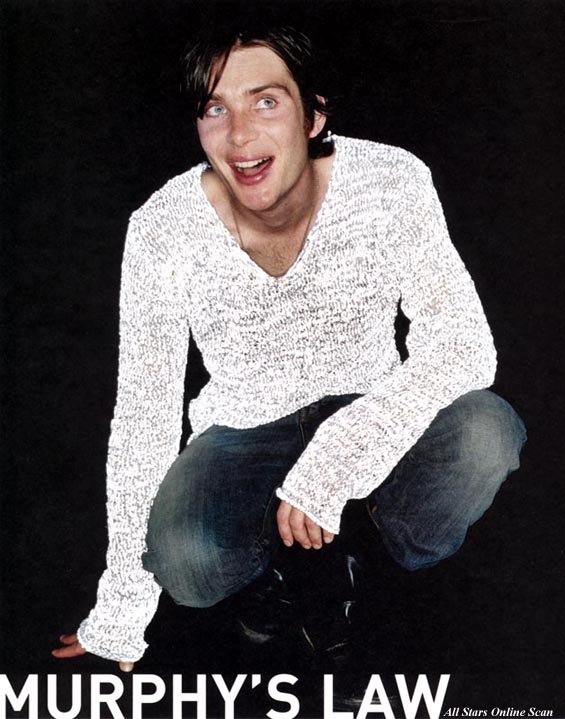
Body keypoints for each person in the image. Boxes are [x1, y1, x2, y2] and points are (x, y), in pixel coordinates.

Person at [53, 22, 526, 673]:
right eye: (215, 109)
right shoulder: (163, 227)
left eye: (266, 102)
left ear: (313, 116)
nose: (239, 136)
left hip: (367, 402)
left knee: (485, 432)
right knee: (186, 564)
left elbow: (462, 341)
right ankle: (280, 566)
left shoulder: (389, 181)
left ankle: (369, 547)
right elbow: (143, 412)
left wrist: (338, 457)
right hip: (242, 427)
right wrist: (122, 607)